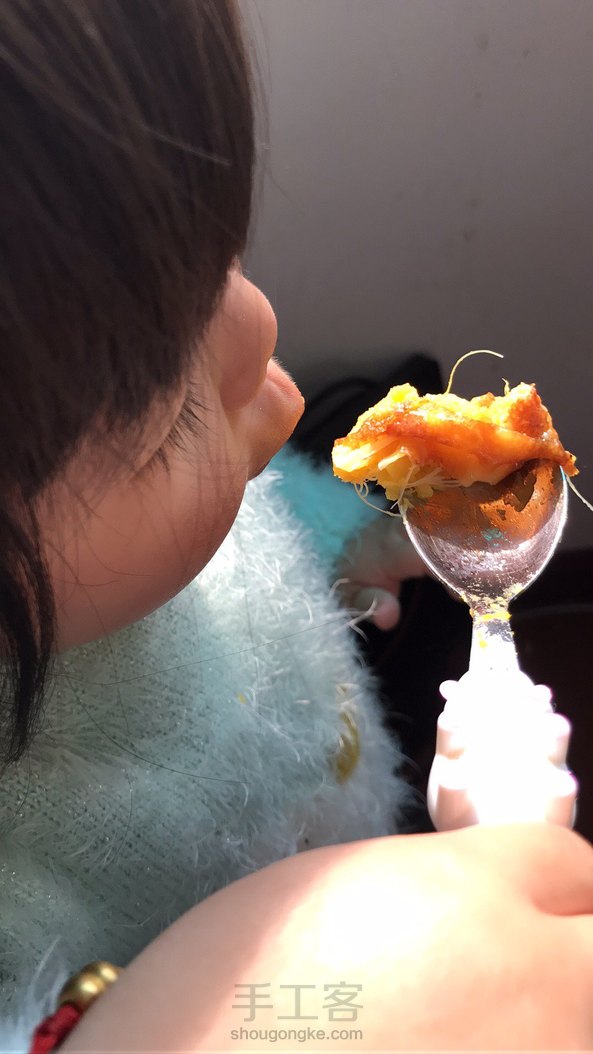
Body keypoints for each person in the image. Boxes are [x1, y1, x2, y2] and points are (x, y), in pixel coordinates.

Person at [1, 2, 593, 1050]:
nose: (260, 329)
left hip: (360, 828)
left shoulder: (133, 521)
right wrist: (238, 1024)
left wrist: (355, 543)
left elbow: (255, 534)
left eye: (217, 270)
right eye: (165, 421)